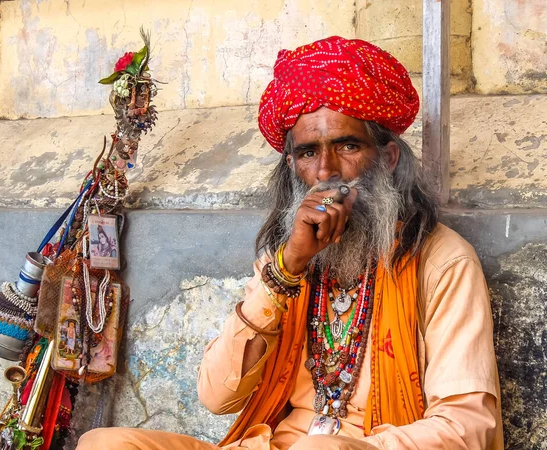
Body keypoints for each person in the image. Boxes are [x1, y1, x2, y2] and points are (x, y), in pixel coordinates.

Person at [77, 37, 503, 450]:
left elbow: (467, 427)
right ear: (290, 164)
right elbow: (216, 396)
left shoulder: (442, 261)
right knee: (104, 443)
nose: (325, 172)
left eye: (348, 146)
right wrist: (286, 269)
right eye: (307, 153)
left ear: (388, 158)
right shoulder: (284, 259)